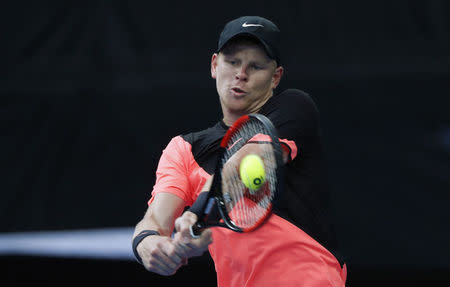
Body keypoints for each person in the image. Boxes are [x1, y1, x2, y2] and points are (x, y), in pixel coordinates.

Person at [132, 16, 347, 286]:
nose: (241, 73)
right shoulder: (184, 149)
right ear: (214, 65)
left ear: (275, 77)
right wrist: (149, 244)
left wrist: (195, 215)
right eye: (232, 61)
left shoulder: (294, 109)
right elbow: (154, 220)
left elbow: (243, 167)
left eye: (255, 66)